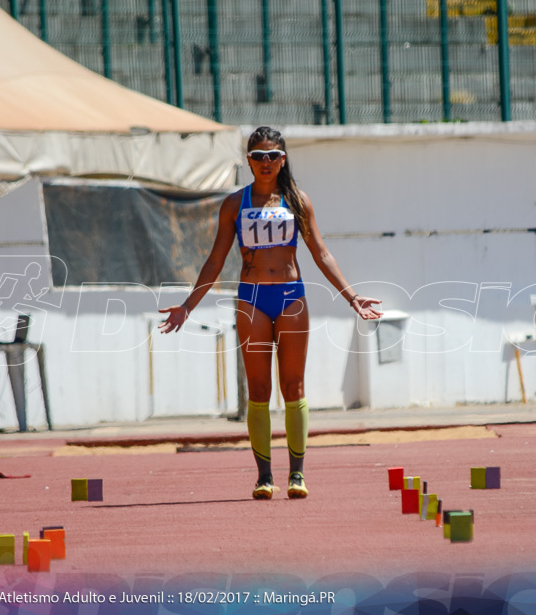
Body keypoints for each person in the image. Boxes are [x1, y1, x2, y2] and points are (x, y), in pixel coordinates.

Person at [159, 126, 382, 500]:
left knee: (293, 386)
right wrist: (187, 305)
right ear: (248, 160)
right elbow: (215, 259)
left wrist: (352, 297)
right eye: (258, 156)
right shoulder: (234, 204)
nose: (266, 163)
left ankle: (297, 475)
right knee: (259, 390)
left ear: (283, 159)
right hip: (251, 299)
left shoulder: (297, 200)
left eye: (273, 156)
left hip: (291, 297)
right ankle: (264, 476)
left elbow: (321, 253)